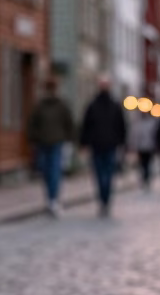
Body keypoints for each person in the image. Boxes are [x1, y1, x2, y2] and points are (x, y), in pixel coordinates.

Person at [26, 76, 75, 217]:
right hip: (47, 142)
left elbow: (68, 123)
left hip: (53, 142)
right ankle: (51, 198)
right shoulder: (46, 106)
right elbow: (33, 123)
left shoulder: (54, 105)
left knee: (52, 171)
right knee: (48, 171)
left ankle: (52, 198)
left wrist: (69, 138)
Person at [80, 76, 127, 216]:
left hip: (100, 145)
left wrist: (84, 142)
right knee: (106, 174)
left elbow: (86, 125)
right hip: (108, 144)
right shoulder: (113, 105)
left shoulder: (93, 105)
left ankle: (103, 198)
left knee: (101, 174)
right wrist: (122, 142)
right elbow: (122, 126)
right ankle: (105, 198)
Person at [128, 111, 158, 190]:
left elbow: (154, 135)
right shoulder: (139, 123)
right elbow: (135, 135)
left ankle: (147, 177)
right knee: (143, 164)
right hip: (142, 147)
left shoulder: (150, 123)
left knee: (147, 163)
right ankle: (144, 177)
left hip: (149, 147)